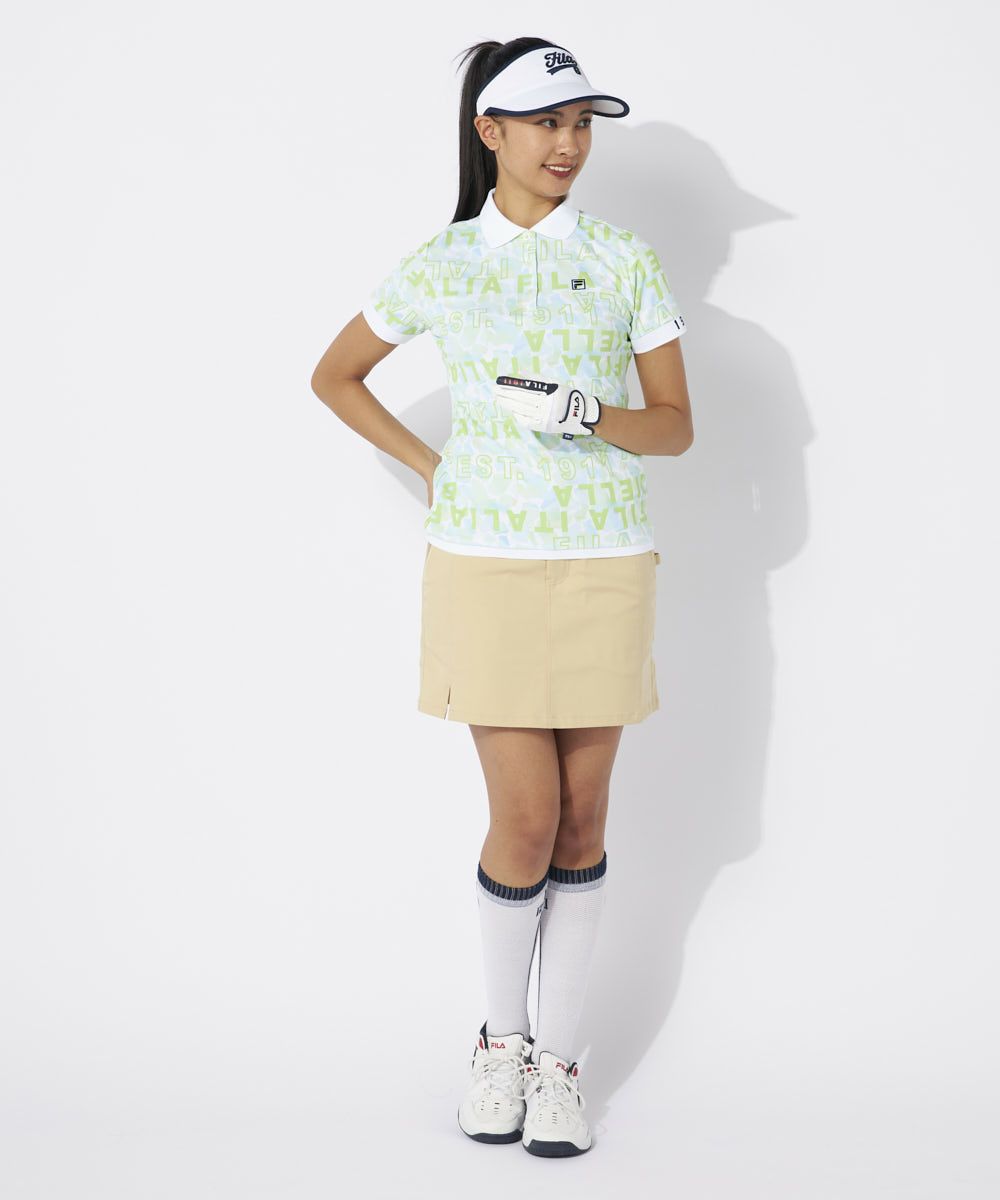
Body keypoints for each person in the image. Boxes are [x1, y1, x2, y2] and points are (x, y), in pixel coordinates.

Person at [310, 37, 693, 1158]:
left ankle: (560, 1065)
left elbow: (675, 427)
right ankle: (500, 1043)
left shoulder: (624, 258)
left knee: (582, 820)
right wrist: (432, 466)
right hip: (484, 564)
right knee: (523, 821)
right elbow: (334, 375)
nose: (568, 144)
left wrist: (585, 413)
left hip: (605, 559)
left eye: (580, 124)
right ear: (491, 132)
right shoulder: (445, 262)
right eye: (545, 123)